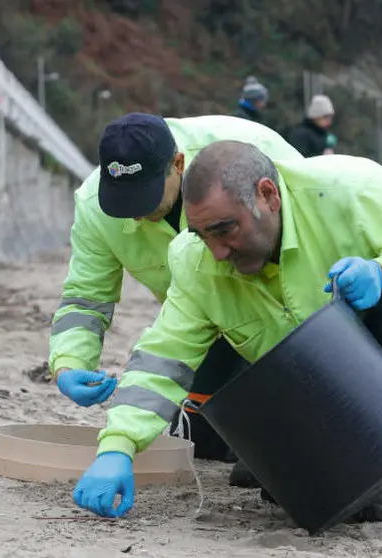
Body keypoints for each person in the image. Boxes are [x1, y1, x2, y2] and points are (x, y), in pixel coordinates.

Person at [72, 140, 382, 524]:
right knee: (278, 478)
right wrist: (117, 448)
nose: (217, 252)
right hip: (329, 366)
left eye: (225, 230)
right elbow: (164, 357)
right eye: (203, 235)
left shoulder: (346, 190)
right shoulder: (195, 260)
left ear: (267, 195)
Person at [51, 113, 303, 480]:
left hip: (279, 304)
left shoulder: (243, 159)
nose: (137, 213)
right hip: (201, 315)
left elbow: (303, 245)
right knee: (203, 444)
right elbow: (86, 296)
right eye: (125, 202)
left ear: (178, 164)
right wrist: (69, 362)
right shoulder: (94, 207)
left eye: (147, 198)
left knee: (270, 457)